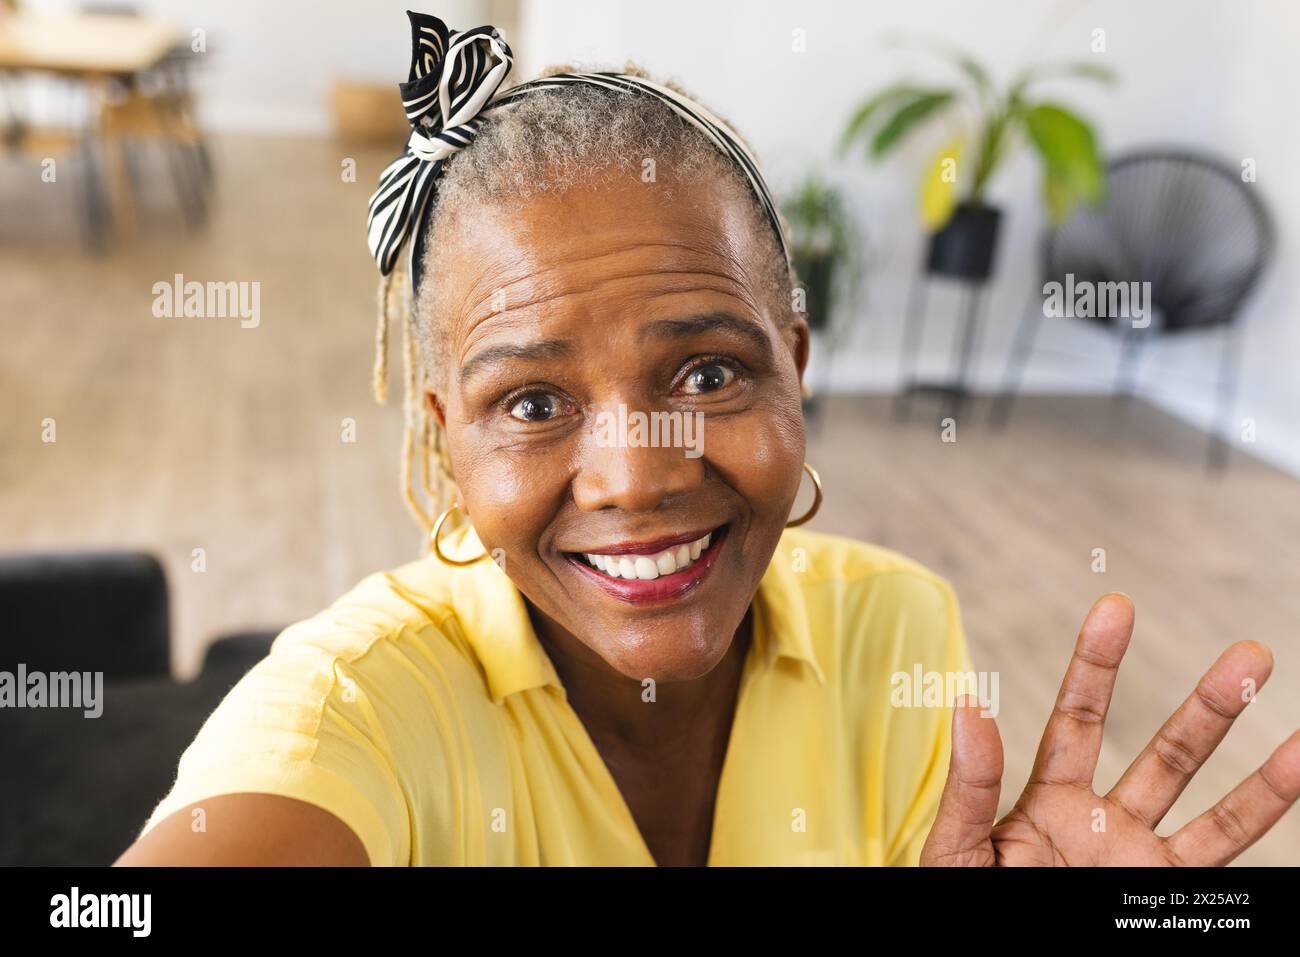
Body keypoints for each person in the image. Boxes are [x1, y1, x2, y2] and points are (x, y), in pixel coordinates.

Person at [116, 12, 1299, 867]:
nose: (636, 476)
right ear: (445, 437)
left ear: (796, 364)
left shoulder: (896, 626)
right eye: (532, 403)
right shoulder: (348, 707)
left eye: (709, 371)